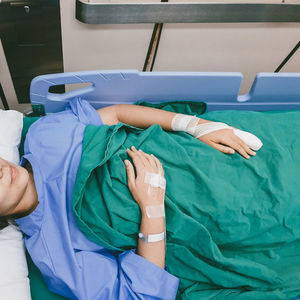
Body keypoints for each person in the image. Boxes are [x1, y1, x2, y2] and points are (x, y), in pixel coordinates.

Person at [0, 98, 257, 300]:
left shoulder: (44, 134)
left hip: (194, 147)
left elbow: (115, 115)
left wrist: (195, 126)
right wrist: (152, 207)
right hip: (213, 210)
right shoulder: (54, 254)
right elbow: (140, 294)